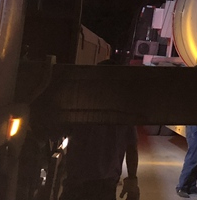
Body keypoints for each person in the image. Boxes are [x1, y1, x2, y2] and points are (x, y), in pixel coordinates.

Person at [60, 60, 140, 200]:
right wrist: (132, 181)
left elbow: (62, 130)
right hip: (105, 184)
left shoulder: (82, 104)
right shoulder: (124, 111)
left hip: (77, 181)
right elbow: (131, 147)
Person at [176, 62, 197, 198]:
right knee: (193, 156)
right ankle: (181, 186)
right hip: (195, 125)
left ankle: (191, 186)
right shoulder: (194, 88)